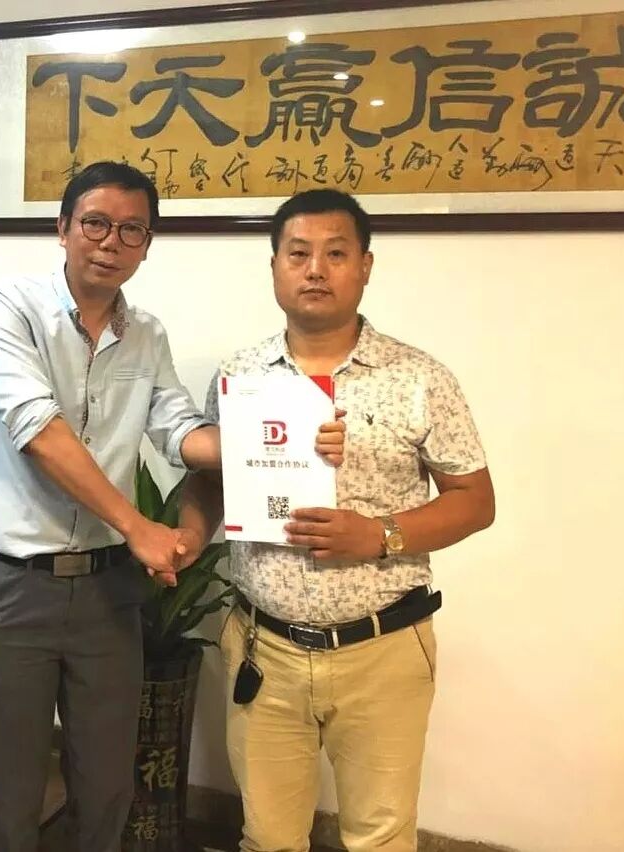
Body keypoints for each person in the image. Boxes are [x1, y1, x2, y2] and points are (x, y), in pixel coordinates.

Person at [178, 188, 495, 852]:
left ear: (365, 266)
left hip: (382, 648)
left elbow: (474, 499)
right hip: (263, 648)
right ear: (274, 267)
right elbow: (213, 478)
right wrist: (185, 536)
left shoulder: (418, 377)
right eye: (298, 254)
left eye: (335, 253)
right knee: (267, 839)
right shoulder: (241, 375)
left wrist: (379, 535)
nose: (315, 269)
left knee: (379, 839)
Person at [0, 161, 220, 852]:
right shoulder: (9, 307)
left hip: (108, 593)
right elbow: (40, 432)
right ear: (63, 228)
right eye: (96, 223)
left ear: (146, 244)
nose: (111, 242)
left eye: (131, 230)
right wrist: (137, 525)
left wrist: (271, 441)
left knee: (107, 787)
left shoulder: (147, 334)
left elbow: (177, 430)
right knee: (11, 793)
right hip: (15, 589)